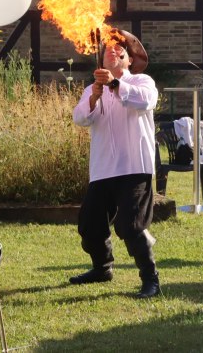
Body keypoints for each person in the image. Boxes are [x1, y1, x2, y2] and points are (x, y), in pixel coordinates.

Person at [69, 29, 161, 298]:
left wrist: (115, 85)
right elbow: (80, 118)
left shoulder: (142, 81)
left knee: (130, 225)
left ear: (128, 60)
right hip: (103, 168)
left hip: (134, 166)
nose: (112, 50)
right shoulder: (90, 88)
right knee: (90, 224)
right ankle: (102, 268)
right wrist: (95, 96)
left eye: (119, 49)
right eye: (107, 48)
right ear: (102, 61)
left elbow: (145, 101)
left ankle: (150, 279)